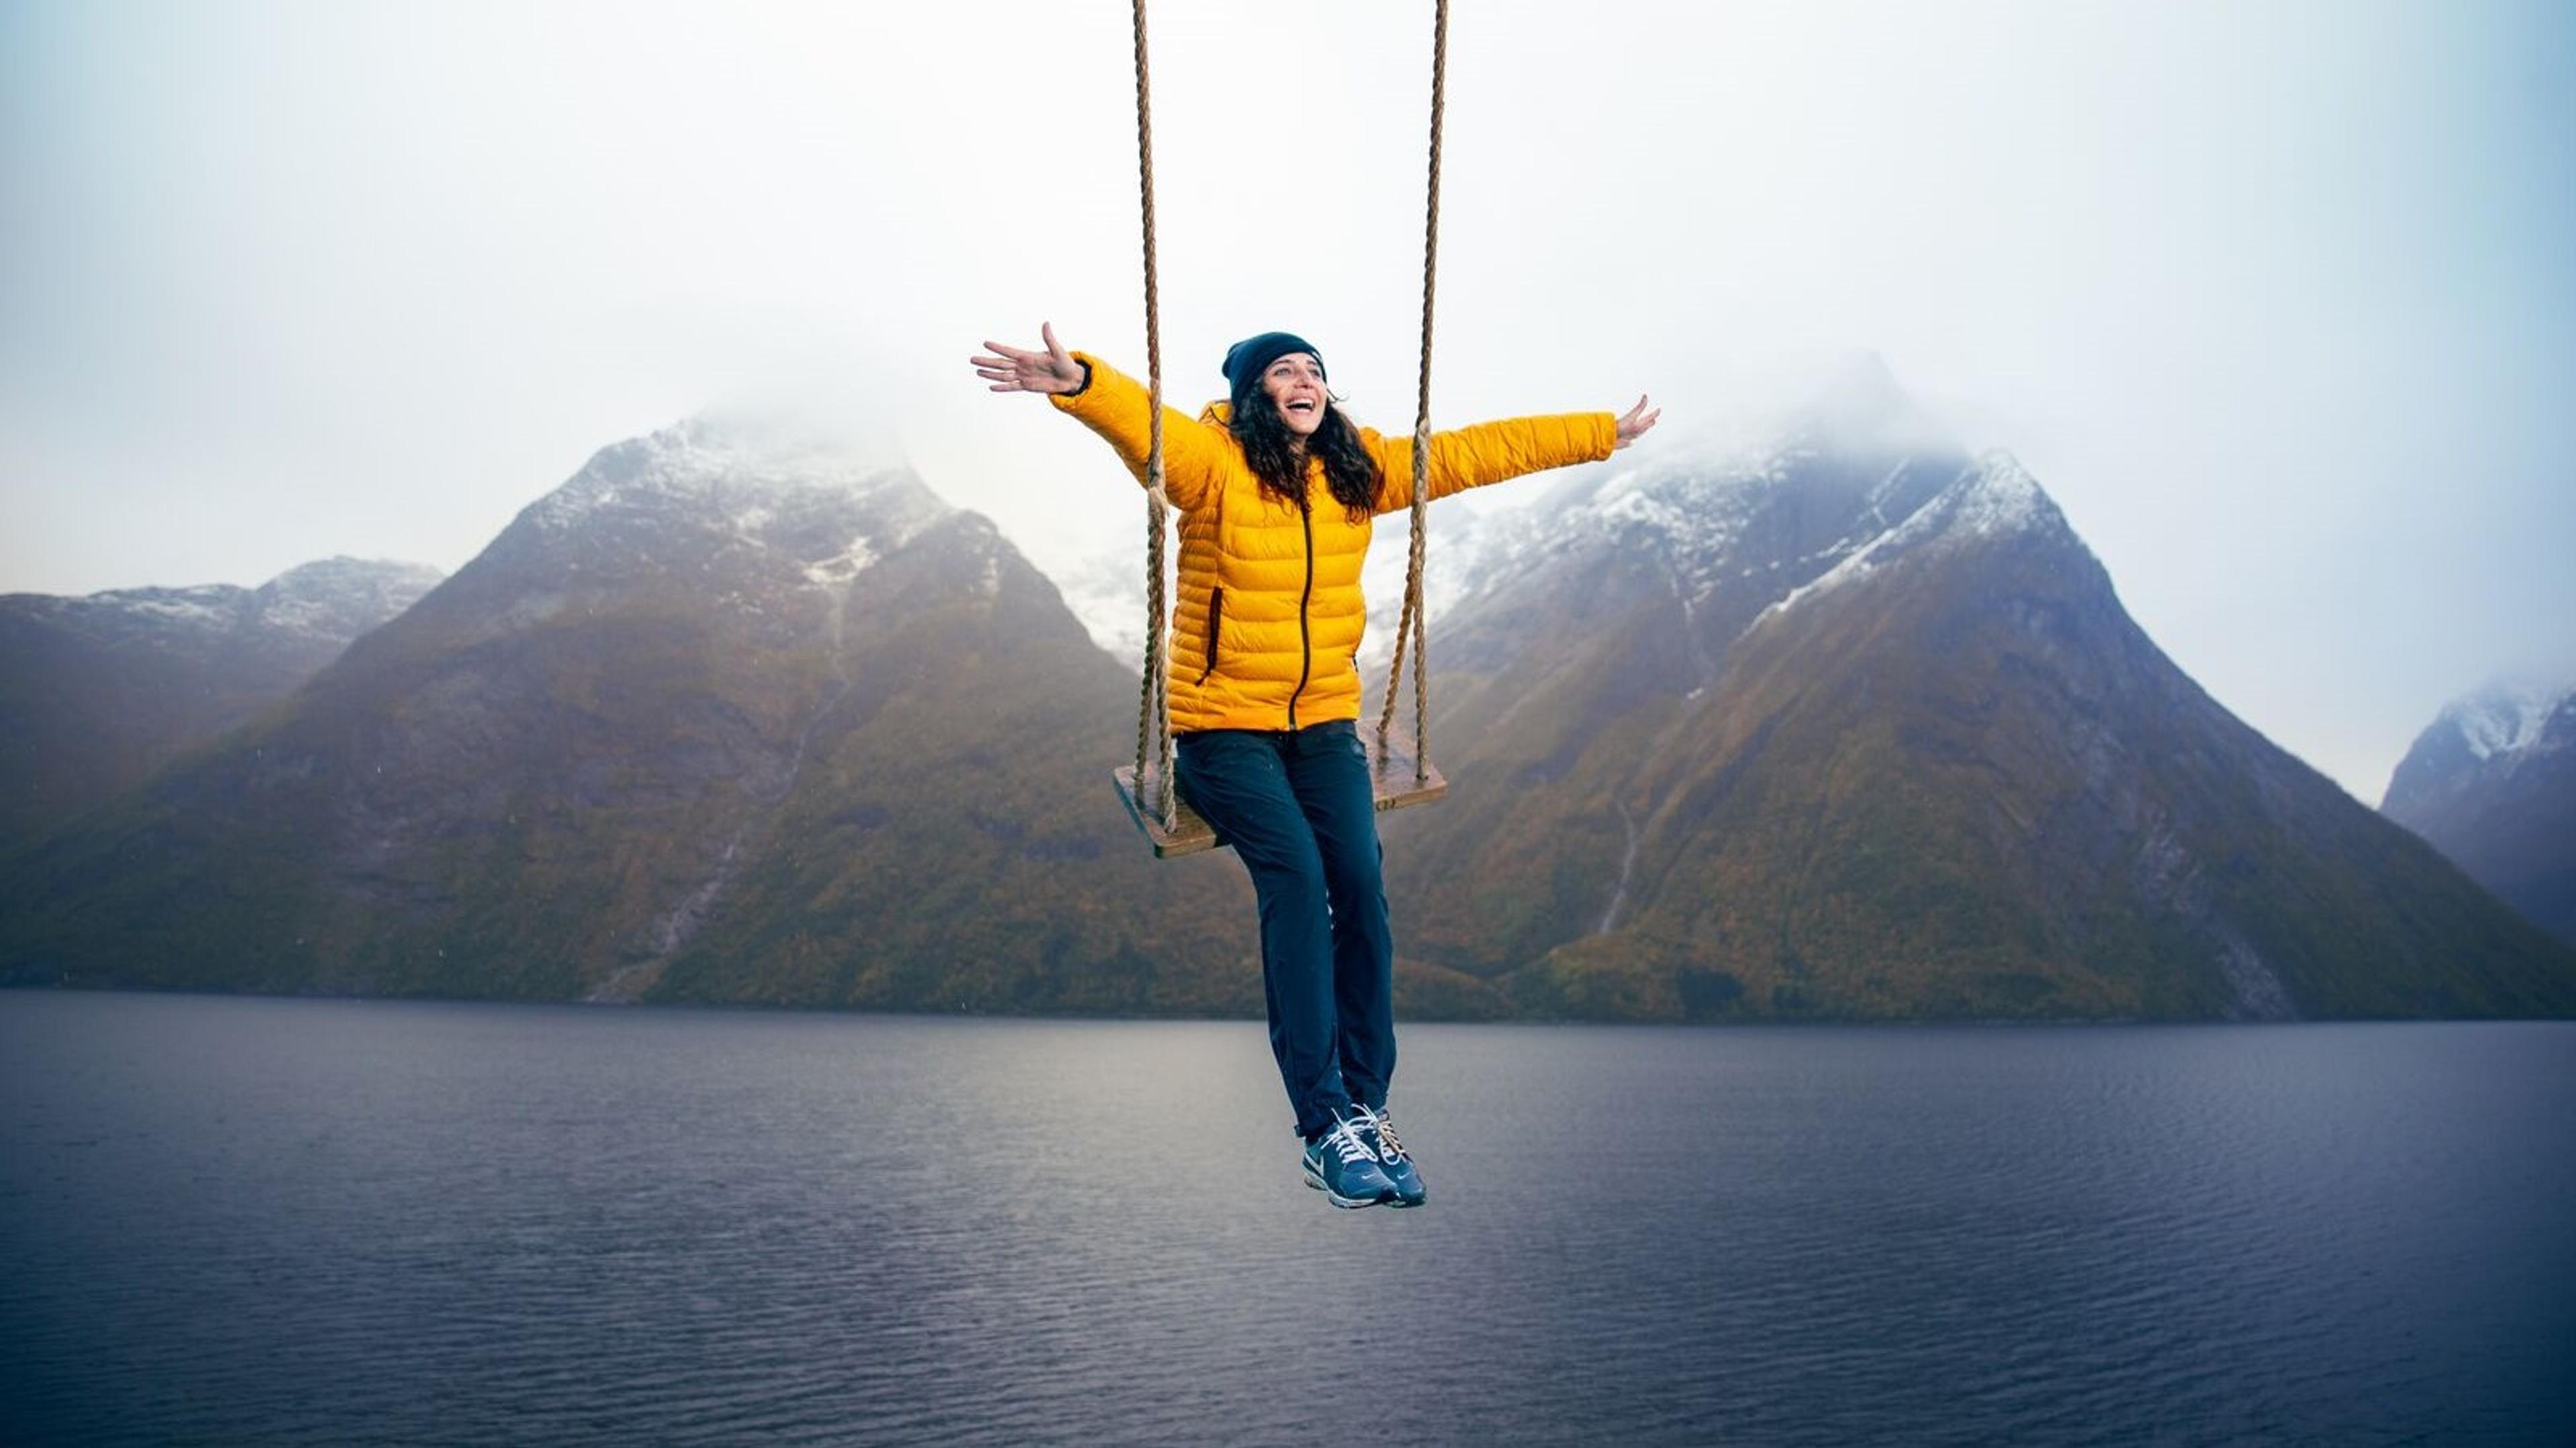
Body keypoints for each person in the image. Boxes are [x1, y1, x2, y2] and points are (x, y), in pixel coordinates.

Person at [972, 323, 1658, 1208]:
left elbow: (1477, 453)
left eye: (1315, 372)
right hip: (1222, 730)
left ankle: (1367, 1103)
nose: (1303, 381)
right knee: (1296, 877)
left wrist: (1599, 432)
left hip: (1324, 722)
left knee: (1362, 883)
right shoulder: (1212, 465)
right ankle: (1323, 1123)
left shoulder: (1357, 472)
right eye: (1283, 371)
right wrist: (1082, 383)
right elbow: (1151, 431)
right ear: (1255, 393)